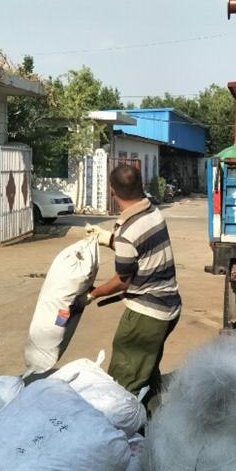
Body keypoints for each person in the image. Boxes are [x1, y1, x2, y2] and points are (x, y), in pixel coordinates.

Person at [86, 164, 181, 412]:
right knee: (147, 373)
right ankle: (155, 426)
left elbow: (122, 280)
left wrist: (92, 293)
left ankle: (126, 438)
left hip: (147, 314)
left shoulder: (127, 232)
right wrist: (108, 238)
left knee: (124, 383)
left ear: (112, 191)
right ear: (141, 186)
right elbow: (141, 250)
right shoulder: (152, 212)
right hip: (170, 306)